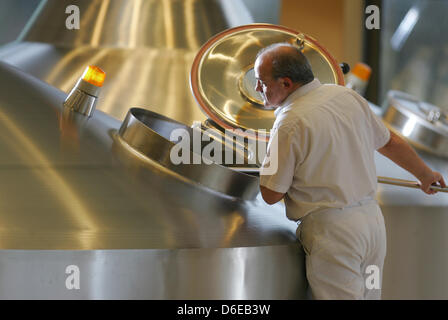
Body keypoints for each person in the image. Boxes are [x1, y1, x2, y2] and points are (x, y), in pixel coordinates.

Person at [255, 42, 446, 300]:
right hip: (372, 226)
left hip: (333, 233)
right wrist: (425, 175)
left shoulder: (290, 122)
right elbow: (389, 141)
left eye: (262, 82)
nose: (257, 89)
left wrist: (267, 158)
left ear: (286, 83)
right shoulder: (346, 96)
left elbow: (270, 195)